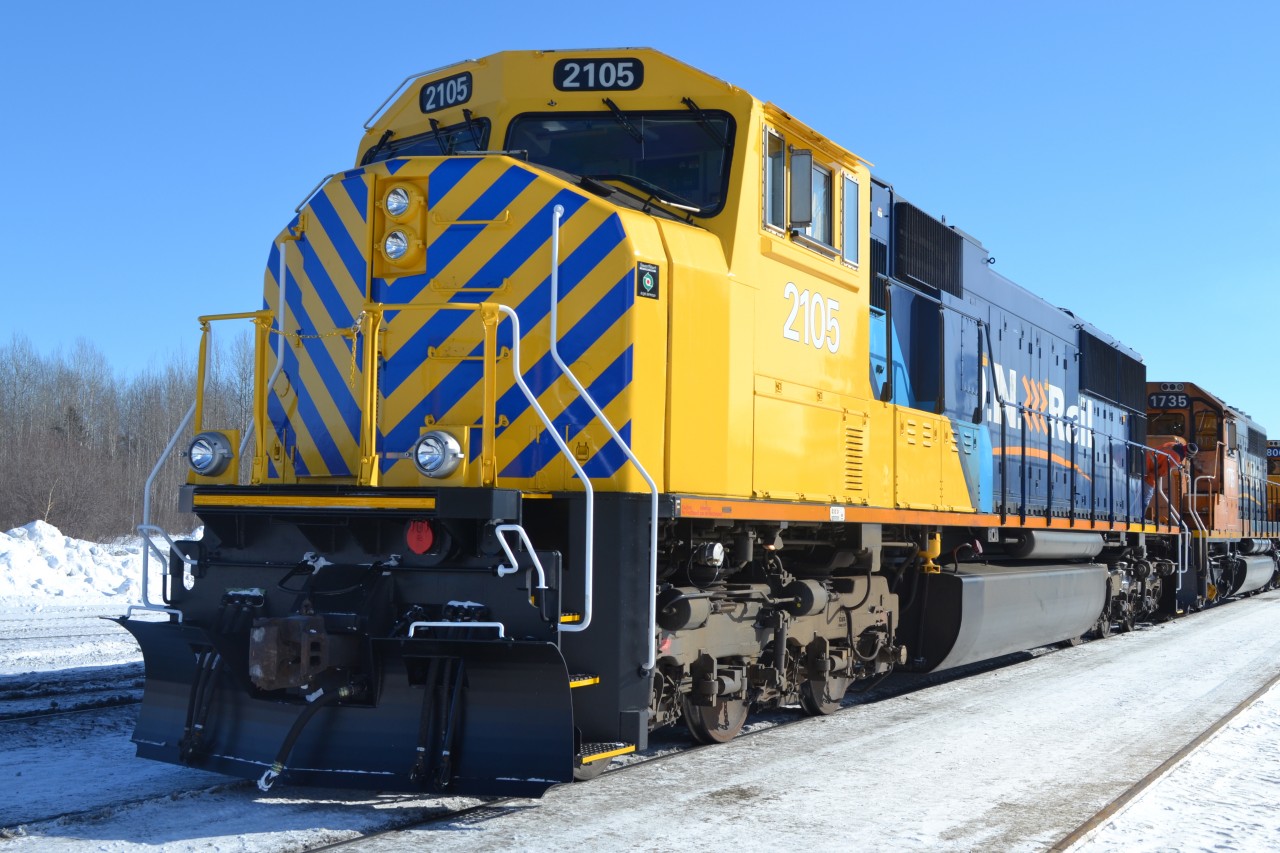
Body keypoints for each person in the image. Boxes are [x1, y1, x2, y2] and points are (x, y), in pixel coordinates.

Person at [1144, 440, 1194, 523]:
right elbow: (1162, 472)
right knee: (1147, 495)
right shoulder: (1176, 457)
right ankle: (1140, 517)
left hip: (1144, 460)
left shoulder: (1173, 444)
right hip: (1148, 470)